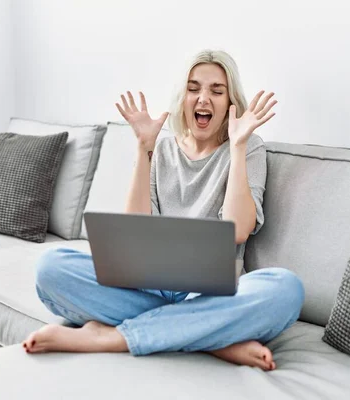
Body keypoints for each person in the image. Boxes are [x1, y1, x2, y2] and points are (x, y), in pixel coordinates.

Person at [22, 50, 304, 371]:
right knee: (51, 267)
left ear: (230, 102)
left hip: (211, 295)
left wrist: (238, 146)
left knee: (285, 289)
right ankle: (211, 338)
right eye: (193, 88)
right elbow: (134, 235)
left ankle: (111, 337)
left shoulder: (248, 147)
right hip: (147, 285)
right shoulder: (165, 148)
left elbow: (238, 230)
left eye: (216, 91)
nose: (203, 99)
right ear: (182, 97)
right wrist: (144, 151)